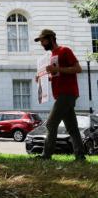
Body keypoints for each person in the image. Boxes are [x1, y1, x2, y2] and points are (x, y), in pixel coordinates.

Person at [34, 29, 86, 161]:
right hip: (60, 94)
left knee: (51, 124)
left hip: (67, 93)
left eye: (43, 40)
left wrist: (57, 69)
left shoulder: (65, 51)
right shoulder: (51, 56)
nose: (42, 44)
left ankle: (46, 155)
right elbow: (57, 76)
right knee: (72, 127)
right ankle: (80, 157)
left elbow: (78, 69)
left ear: (51, 39)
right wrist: (42, 77)